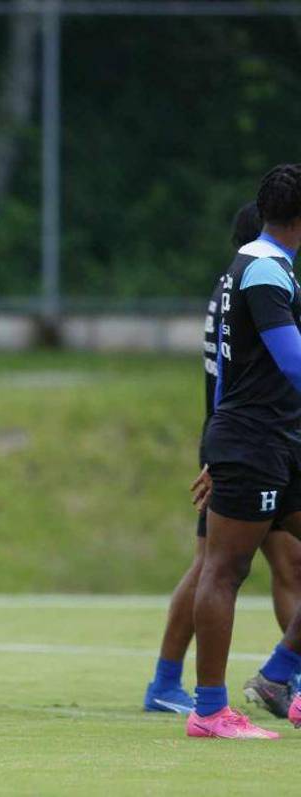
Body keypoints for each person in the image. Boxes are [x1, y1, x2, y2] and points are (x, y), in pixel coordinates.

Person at [144, 202, 301, 715]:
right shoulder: (262, 281)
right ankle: (257, 684)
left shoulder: (229, 286)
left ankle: (173, 681)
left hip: (238, 438)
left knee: (218, 565)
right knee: (238, 567)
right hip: (256, 442)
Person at [186, 164, 301, 739]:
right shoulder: (262, 270)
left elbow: (235, 367)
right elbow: (292, 363)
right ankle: (209, 711)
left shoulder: (261, 265)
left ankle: (281, 675)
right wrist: (222, 444)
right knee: (224, 570)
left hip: (271, 438)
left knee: (226, 568)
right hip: (254, 440)